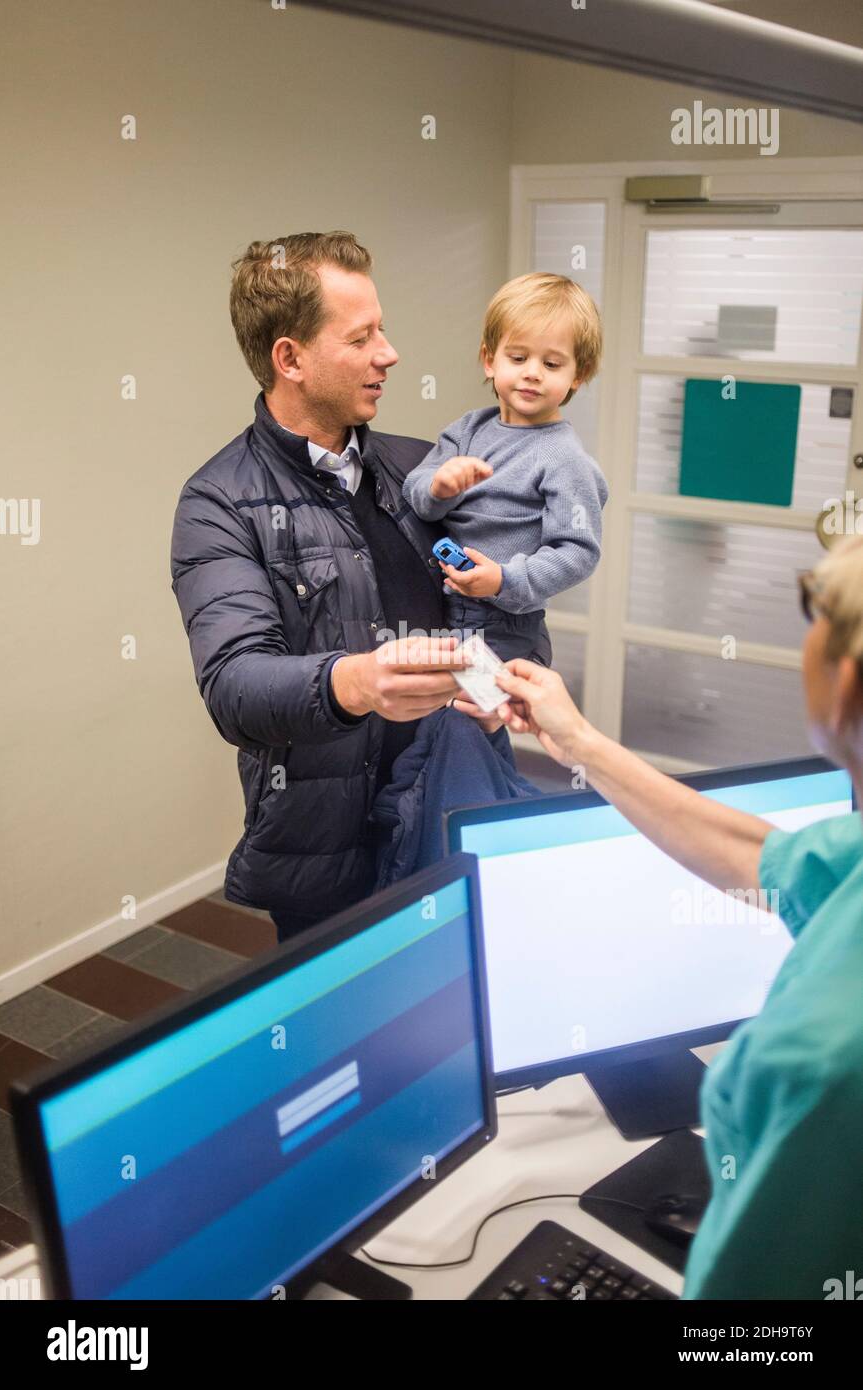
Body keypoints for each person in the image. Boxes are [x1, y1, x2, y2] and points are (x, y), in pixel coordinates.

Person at [492, 533, 863, 1300]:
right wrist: (578, 741)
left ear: (848, 682)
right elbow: (752, 853)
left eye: (810, 606)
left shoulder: (825, 1058)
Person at [170, 232, 501, 943]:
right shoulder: (218, 503)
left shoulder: (419, 471)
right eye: (363, 337)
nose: (390, 352)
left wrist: (500, 687)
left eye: (382, 329)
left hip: (449, 807)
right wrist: (354, 682)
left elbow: (482, 599)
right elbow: (235, 686)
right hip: (325, 856)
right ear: (289, 358)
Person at [402, 273, 608, 668]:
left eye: (551, 363)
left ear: (577, 375)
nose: (532, 372)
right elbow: (418, 495)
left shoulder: (564, 458)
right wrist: (439, 487)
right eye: (518, 358)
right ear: (489, 359)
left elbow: (578, 551)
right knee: (433, 707)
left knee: (475, 713)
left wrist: (504, 580)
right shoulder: (468, 429)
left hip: (501, 620)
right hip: (438, 601)